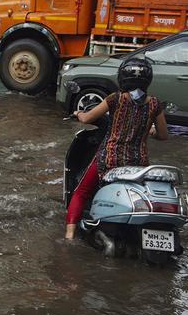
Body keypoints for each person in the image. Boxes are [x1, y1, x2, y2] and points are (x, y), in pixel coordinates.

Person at [65, 58, 169, 240]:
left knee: (81, 192)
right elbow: (163, 135)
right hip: (139, 164)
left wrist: (78, 113)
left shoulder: (115, 99)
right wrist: (150, 131)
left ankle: (69, 235)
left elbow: (87, 119)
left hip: (110, 159)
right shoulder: (155, 104)